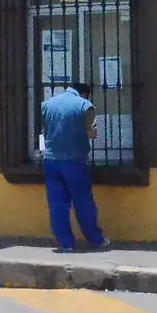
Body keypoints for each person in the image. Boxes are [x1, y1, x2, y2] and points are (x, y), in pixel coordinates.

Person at [39, 81, 106, 252]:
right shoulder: (85, 105)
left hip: (51, 161)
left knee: (57, 204)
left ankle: (66, 243)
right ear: (85, 94)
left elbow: (43, 131)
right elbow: (92, 133)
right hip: (74, 161)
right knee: (83, 202)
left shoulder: (47, 104)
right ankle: (95, 239)